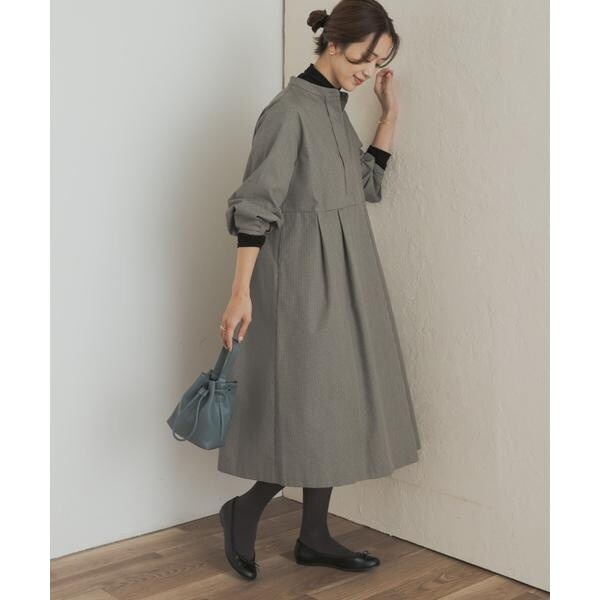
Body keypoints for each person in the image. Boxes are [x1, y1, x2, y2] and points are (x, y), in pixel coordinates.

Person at [217, 0, 422, 580]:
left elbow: (366, 186)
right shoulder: (288, 112)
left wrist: (389, 114)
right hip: (302, 281)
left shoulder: (333, 106)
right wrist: (240, 292)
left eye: (379, 61)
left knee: (335, 404)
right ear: (333, 44)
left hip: (350, 274)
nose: (368, 70)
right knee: (305, 406)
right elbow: (255, 205)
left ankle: (313, 535)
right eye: (363, 58)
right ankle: (244, 510)